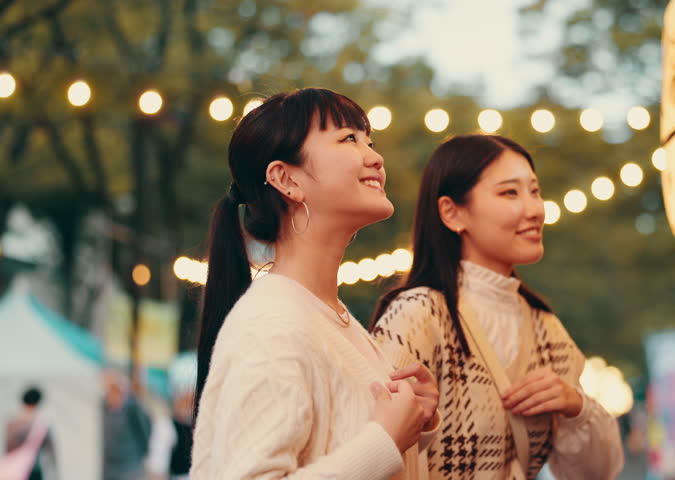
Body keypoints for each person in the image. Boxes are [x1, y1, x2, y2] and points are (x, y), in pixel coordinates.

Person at [191, 88, 439, 480]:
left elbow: (334, 445)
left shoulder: (332, 319)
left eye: (369, 141)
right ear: (285, 179)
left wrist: (412, 423)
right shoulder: (272, 326)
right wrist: (385, 439)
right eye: (349, 139)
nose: (375, 157)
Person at [370, 134, 624, 479]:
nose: (534, 209)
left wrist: (575, 406)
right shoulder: (417, 315)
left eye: (534, 191)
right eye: (510, 192)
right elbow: (380, 448)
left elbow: (599, 473)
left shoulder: (543, 325)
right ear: (452, 212)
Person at [146, 352, 197, 480]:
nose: (190, 405)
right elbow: (157, 470)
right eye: (186, 399)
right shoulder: (166, 427)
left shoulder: (201, 426)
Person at [102, 370, 152, 480]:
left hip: (130, 467)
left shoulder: (132, 407)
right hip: (110, 468)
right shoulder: (105, 406)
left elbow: (145, 431)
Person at [3, 386, 57, 480]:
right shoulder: (43, 423)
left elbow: (8, 447)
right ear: (38, 402)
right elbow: (51, 451)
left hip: (15, 469)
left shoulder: (13, 423)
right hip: (34, 468)